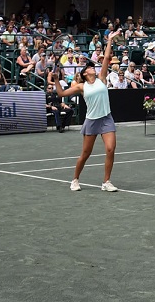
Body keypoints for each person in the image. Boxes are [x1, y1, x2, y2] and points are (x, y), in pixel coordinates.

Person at [62, 29, 122, 192]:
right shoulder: (81, 86)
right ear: (84, 73)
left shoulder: (102, 78)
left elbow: (107, 58)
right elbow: (61, 93)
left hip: (106, 118)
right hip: (92, 121)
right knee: (86, 153)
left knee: (111, 149)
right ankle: (75, 179)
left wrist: (109, 39)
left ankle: (106, 182)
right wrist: (54, 80)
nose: (92, 68)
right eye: (89, 68)